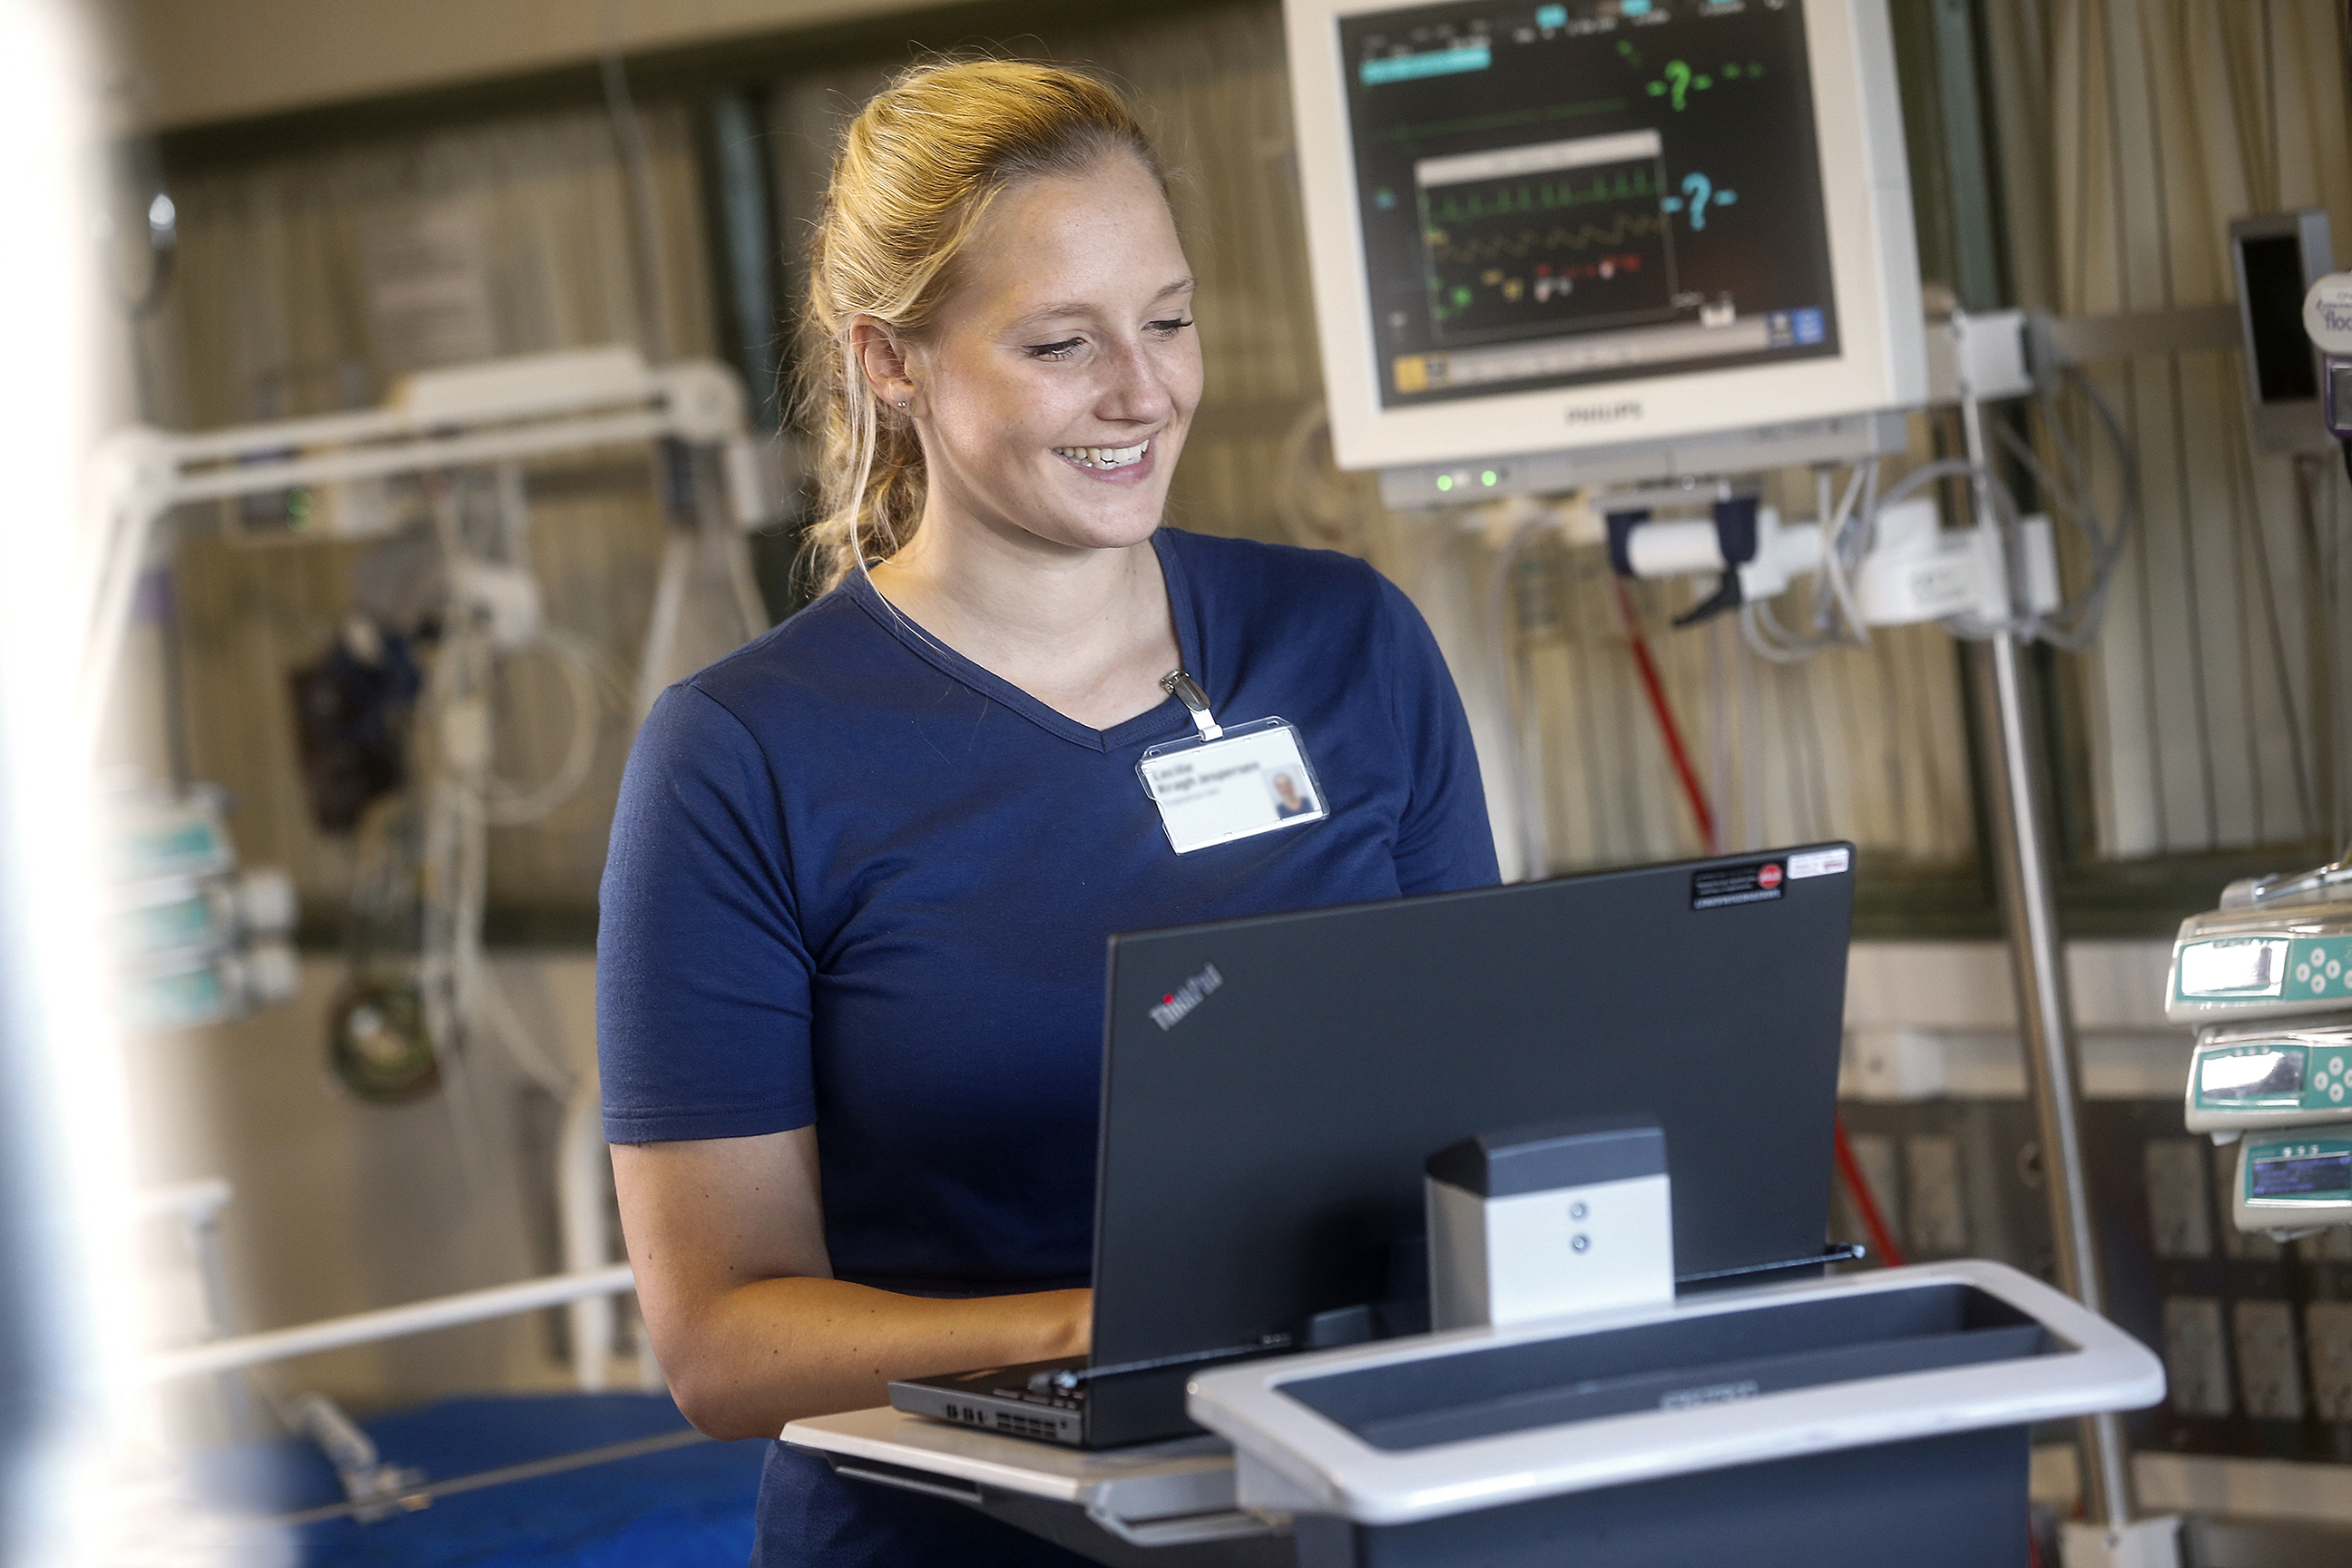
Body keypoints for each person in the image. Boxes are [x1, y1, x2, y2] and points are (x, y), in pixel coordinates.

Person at [596, 58, 1499, 1567]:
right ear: (893, 362)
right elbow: (722, 1341)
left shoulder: (1346, 644)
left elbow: (1484, 1091)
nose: (1142, 393)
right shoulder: (742, 758)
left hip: (1350, 1501)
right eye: (1060, 343)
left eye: (1167, 319)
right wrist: (1104, 1330)